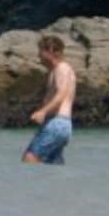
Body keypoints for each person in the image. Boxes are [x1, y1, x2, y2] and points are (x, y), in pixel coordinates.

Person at [22, 34, 75, 165]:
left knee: (30, 159)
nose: (38, 55)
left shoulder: (62, 68)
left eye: (40, 51)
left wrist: (43, 112)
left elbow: (61, 94)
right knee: (52, 165)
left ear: (50, 50)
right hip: (60, 125)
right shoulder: (54, 71)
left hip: (57, 123)